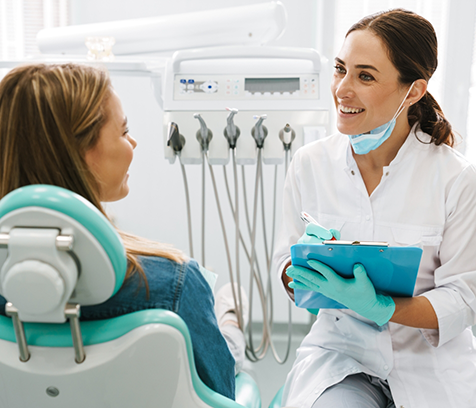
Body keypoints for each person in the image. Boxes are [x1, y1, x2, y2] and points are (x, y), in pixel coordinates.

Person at [0, 63, 248, 401]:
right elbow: (222, 395)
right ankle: (230, 313)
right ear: (79, 153)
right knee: (230, 342)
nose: (132, 142)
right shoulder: (173, 285)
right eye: (123, 131)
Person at [273, 9, 476, 408]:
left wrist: (384, 308)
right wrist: (298, 272)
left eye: (365, 76)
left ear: (413, 91)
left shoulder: (457, 178)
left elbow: (464, 298)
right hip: (340, 358)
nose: (342, 89)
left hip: (429, 368)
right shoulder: (310, 164)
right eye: (340, 69)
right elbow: (284, 263)